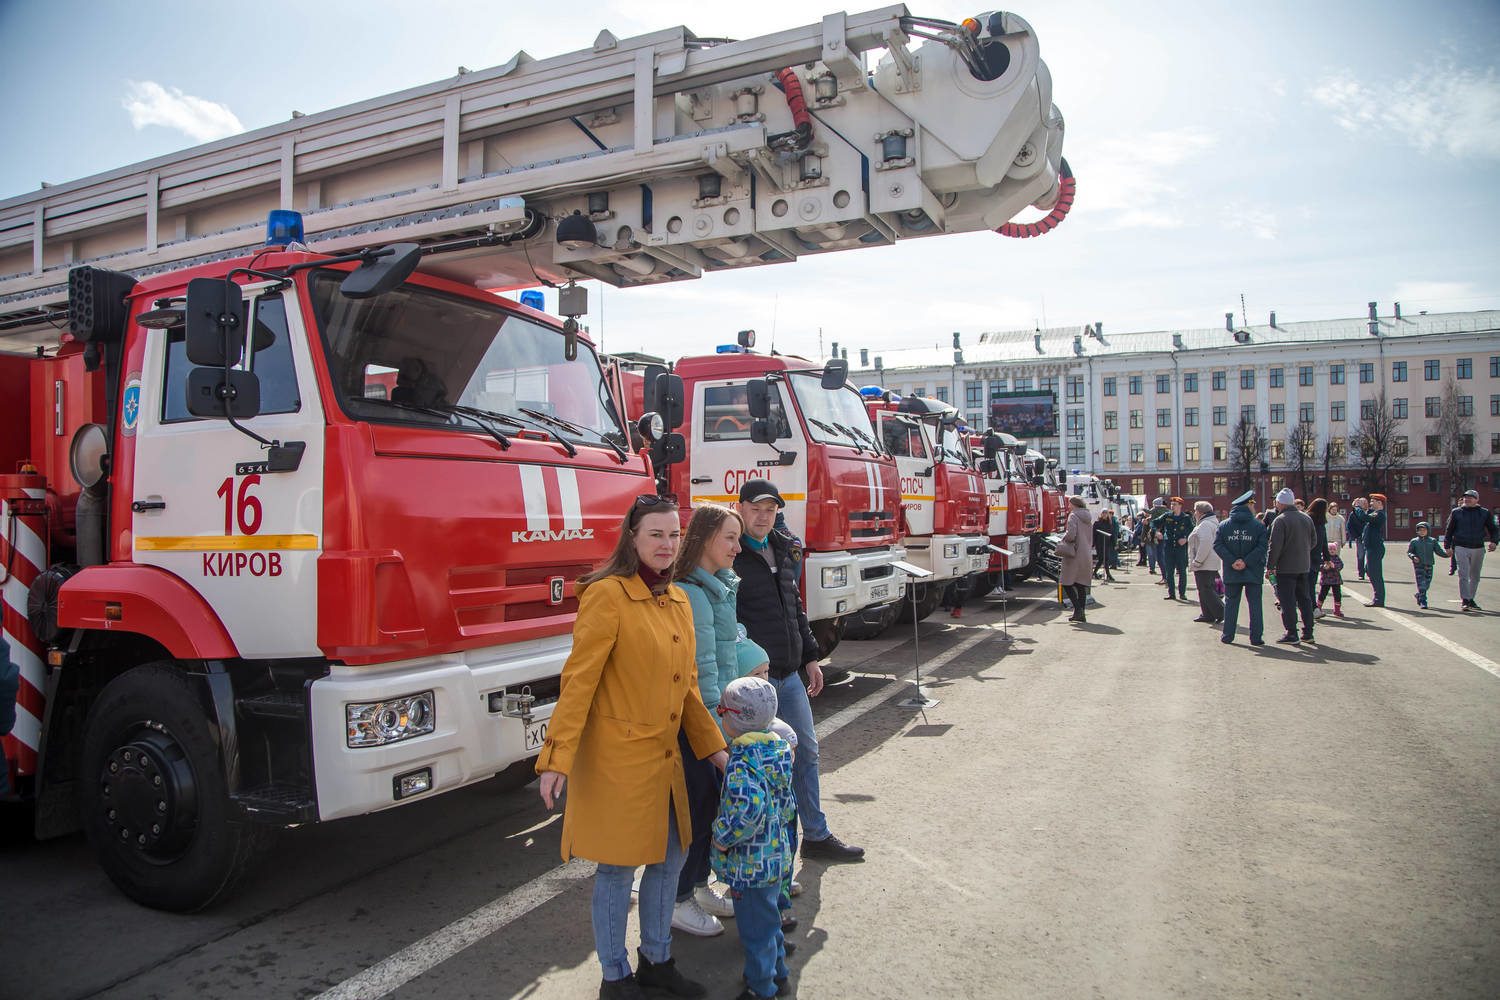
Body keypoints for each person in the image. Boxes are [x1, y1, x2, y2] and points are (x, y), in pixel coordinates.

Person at [535, 494, 729, 1000]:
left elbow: (687, 689)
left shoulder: (679, 599)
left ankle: (657, 962)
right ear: (632, 539)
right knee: (618, 871)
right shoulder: (607, 595)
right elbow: (578, 681)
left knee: (668, 862)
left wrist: (716, 751)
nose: (667, 545)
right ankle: (614, 976)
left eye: (673, 535)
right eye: (655, 535)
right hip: (620, 763)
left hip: (668, 761)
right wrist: (556, 758)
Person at [734, 479, 864, 862]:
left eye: (770, 509)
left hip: (789, 675)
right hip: (755, 683)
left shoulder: (782, 548)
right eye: (755, 508)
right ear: (740, 507)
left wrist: (811, 657)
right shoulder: (730, 552)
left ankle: (817, 835)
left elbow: (795, 607)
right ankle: (765, 855)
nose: (762, 516)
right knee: (761, 766)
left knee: (805, 751)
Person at [670, 503, 759, 937]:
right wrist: (713, 730)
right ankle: (679, 898)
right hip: (699, 725)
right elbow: (698, 670)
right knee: (698, 809)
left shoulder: (720, 586)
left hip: (719, 718)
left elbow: (727, 653)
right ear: (704, 539)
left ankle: (699, 886)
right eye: (729, 537)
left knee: (712, 808)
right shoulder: (689, 593)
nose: (737, 547)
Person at [711, 677, 797, 1000]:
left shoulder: (741, 762)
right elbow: (785, 803)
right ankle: (779, 974)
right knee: (770, 921)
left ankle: (761, 988)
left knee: (755, 931)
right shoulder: (778, 750)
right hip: (777, 857)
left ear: (734, 720)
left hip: (751, 865)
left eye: (722, 711)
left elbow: (749, 810)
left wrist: (722, 837)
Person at [1214, 490, 1269, 646]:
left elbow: (1218, 545)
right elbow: (1262, 547)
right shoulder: (1258, 526)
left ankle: (1228, 635)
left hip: (1232, 570)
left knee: (1231, 604)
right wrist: (1246, 561)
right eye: (1253, 503)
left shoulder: (1224, 525)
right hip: (1253, 570)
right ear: (1248, 505)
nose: (1254, 507)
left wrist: (1233, 561)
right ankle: (1256, 638)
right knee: (1255, 604)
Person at [1267, 487, 1317, 643]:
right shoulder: (1306, 518)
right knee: (1305, 600)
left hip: (1286, 568)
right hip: (1303, 566)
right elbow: (1314, 541)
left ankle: (1292, 633)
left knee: (1287, 601)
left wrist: (1270, 566)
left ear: (1280, 503)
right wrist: (1302, 552)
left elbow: (1275, 546)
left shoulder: (1280, 520)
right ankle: (1308, 633)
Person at [1443, 488, 1499, 611]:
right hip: (1461, 546)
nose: (1467, 499)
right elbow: (1449, 530)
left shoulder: (1484, 513)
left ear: (1476, 500)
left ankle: (1470, 599)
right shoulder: (1456, 512)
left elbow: (1493, 529)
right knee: (1463, 574)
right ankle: (1465, 599)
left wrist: (1494, 542)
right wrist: (1447, 546)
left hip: (1478, 547)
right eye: (1465, 497)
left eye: (1470, 497)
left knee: (1475, 576)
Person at [1058, 495, 1094, 623]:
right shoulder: (1088, 516)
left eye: (1069, 504)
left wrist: (1063, 538)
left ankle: (1078, 609)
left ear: (1074, 504)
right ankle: (1081, 613)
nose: (1068, 506)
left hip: (1074, 553)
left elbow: (1071, 534)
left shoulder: (1073, 516)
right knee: (1081, 584)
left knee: (1066, 583)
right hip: (1085, 553)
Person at [1188, 501, 1223, 625]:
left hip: (1205, 563)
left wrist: (1198, 560)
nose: (1194, 513)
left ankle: (1220, 611)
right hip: (1209, 562)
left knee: (1206, 589)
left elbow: (1205, 543)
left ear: (1201, 512)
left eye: (1196, 511)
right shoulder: (1209, 523)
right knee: (1205, 589)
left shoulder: (1205, 525)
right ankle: (1207, 613)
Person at [1156, 497, 1195, 600]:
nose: (1172, 506)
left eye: (1175, 504)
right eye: (1172, 504)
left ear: (1180, 506)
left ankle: (1182, 593)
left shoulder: (1186, 518)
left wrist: (1186, 539)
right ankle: (1171, 593)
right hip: (1169, 547)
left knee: (1182, 571)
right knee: (1169, 571)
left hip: (1180, 548)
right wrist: (1157, 532)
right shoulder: (1167, 516)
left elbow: (1193, 531)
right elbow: (1153, 523)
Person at [1406, 521, 1448, 610]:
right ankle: (1423, 601)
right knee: (1421, 584)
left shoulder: (1432, 541)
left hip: (1429, 564)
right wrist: (1413, 557)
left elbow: (1438, 551)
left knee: (1427, 583)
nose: (1422, 532)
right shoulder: (1414, 541)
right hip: (1419, 565)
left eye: (1424, 530)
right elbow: (1409, 552)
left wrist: (1447, 555)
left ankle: (1419, 595)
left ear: (1428, 530)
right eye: (1420, 530)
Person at [1306, 498, 1332, 617]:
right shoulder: (1309, 520)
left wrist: (1327, 558)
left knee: (1309, 585)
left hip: (1311, 558)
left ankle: (1312, 608)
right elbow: (1323, 542)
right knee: (1309, 585)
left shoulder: (1317, 521)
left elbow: (1324, 542)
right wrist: (1327, 558)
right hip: (1309, 557)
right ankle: (1312, 609)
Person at [1362, 493, 1388, 607]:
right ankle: (1378, 597)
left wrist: (1358, 508)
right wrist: (1361, 509)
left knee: (1375, 574)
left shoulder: (1379, 514)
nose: (1370, 503)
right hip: (1371, 548)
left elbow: (1364, 517)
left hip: (1375, 548)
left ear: (1379, 503)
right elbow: (1363, 517)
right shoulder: (1374, 513)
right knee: (1369, 571)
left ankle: (1379, 600)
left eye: (1372, 501)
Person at [1317, 543, 1345, 618]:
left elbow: (1341, 566)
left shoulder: (1337, 558)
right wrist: (1324, 567)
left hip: (1336, 580)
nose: (1332, 551)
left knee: (1337, 595)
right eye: (1330, 549)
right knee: (1322, 594)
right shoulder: (1324, 558)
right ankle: (1318, 607)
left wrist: (1334, 566)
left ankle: (1337, 610)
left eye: (1334, 549)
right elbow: (1319, 567)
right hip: (1326, 580)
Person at [1346, 497, 1370, 581]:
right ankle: (1361, 573)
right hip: (1359, 538)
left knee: (1370, 556)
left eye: (1366, 503)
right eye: (1363, 503)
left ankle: (1369, 570)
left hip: (1369, 538)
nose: (1366, 505)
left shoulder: (1371, 513)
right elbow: (1349, 526)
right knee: (1360, 556)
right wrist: (1356, 536)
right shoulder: (1354, 514)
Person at [1093, 508, 1119, 582]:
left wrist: (1115, 544)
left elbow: (1112, 534)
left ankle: (1108, 574)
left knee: (1106, 559)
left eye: (1106, 513)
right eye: (1103, 513)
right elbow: (1094, 534)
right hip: (1099, 543)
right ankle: (1095, 572)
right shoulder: (1097, 523)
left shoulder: (1109, 524)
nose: (1104, 515)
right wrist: (1093, 544)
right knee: (1101, 559)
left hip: (1107, 543)